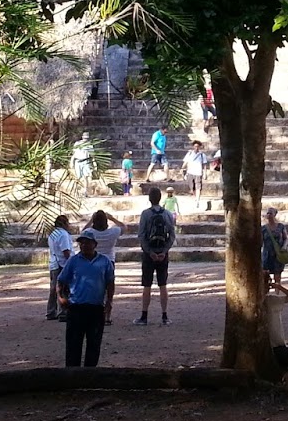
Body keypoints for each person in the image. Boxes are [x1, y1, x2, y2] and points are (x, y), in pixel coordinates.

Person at [57, 229, 114, 367]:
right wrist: (60, 298)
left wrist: (109, 302)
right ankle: (72, 374)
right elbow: (61, 280)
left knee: (94, 344)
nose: (84, 245)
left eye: (87, 242)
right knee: (73, 345)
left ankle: (90, 374)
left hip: (96, 308)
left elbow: (110, 283)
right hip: (76, 308)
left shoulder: (104, 261)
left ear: (95, 244)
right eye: (81, 243)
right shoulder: (73, 261)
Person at [134, 186, 177, 325]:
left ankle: (144, 316)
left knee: (147, 285)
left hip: (149, 254)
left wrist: (149, 252)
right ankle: (164, 316)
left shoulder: (145, 214)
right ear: (160, 198)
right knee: (163, 285)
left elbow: (141, 235)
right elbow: (172, 235)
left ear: (149, 198)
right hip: (162, 252)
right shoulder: (167, 214)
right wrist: (164, 251)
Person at [82, 209, 125, 324]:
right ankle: (107, 315)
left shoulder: (90, 233)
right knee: (108, 289)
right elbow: (124, 227)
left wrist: (90, 220)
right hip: (109, 261)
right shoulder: (113, 232)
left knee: (93, 288)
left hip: (93, 261)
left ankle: (94, 313)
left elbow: (83, 232)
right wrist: (112, 218)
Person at [263, 276, 288, 369]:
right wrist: (279, 287)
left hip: (273, 342)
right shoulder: (271, 300)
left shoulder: (271, 300)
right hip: (275, 342)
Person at [46, 214, 74, 320]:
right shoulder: (63, 234)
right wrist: (71, 263)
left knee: (53, 289)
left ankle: (51, 311)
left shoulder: (53, 234)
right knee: (63, 289)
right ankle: (63, 312)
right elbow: (66, 251)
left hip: (54, 263)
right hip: (62, 264)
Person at [261, 206, 288, 287]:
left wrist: (284, 246)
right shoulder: (263, 228)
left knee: (277, 275)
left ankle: (277, 291)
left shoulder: (281, 226)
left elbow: (285, 238)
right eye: (268, 213)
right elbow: (260, 241)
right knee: (264, 273)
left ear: (275, 215)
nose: (269, 215)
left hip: (278, 253)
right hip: (267, 254)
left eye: (270, 213)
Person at [183, 139, 210, 210]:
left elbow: (204, 165)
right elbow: (185, 162)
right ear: (193, 147)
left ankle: (197, 200)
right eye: (195, 146)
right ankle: (195, 197)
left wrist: (205, 173)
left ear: (199, 147)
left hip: (198, 173)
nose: (196, 148)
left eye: (198, 146)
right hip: (190, 172)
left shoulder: (202, 155)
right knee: (192, 187)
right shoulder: (189, 154)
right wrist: (182, 169)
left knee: (198, 187)